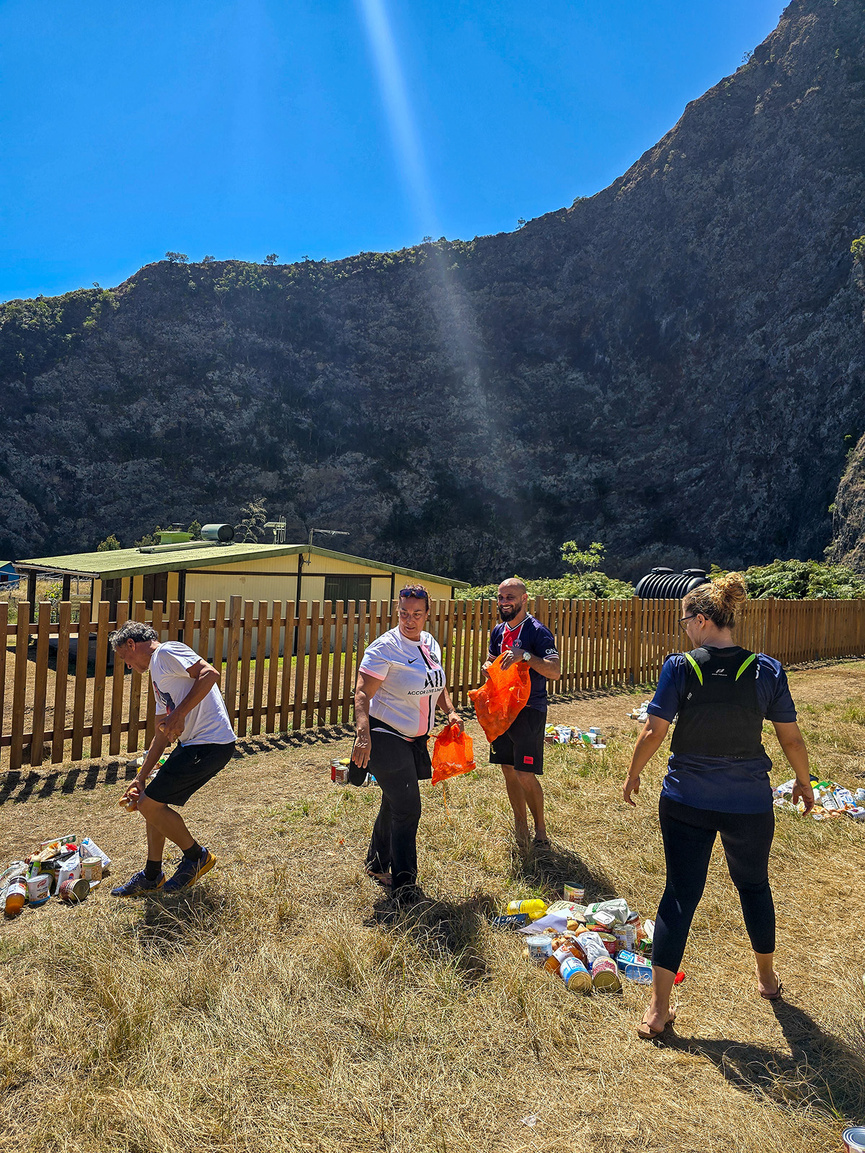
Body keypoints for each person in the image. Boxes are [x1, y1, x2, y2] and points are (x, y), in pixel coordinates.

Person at [623, 573, 814, 1039]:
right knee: (753, 885)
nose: (683, 626)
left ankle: (657, 1010)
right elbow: (789, 736)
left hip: (686, 799)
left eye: (686, 618)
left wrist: (633, 772)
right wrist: (804, 781)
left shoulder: (681, 667)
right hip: (748, 802)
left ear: (703, 619)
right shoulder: (766, 669)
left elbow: (654, 731)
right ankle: (767, 979)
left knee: (680, 895)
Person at [108, 620, 237, 896]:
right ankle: (152, 875)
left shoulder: (166, 652)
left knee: (150, 805)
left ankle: (196, 856)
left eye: (124, 658)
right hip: (195, 745)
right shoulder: (158, 674)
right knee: (150, 800)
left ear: (132, 644)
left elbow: (210, 673)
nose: (127, 665)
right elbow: (161, 732)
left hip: (210, 744)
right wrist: (140, 778)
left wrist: (179, 714)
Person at [352, 585, 463, 904]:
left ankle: (376, 864)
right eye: (403, 613)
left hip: (415, 739)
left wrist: (451, 712)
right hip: (384, 735)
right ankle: (404, 886)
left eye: (416, 614)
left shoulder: (430, 643)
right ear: (397, 611)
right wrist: (363, 733)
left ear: (427, 614)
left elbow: (436, 684)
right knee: (408, 807)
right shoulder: (385, 648)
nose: (409, 620)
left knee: (394, 800)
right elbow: (362, 694)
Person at [482, 578, 561, 849]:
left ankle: (541, 832)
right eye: (501, 597)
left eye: (510, 597)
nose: (504, 602)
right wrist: (488, 666)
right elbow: (492, 659)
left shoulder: (538, 631)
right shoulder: (498, 630)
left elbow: (554, 670)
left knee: (525, 773)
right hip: (502, 710)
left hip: (529, 709)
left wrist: (524, 656)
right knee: (507, 769)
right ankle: (521, 827)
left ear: (525, 598)